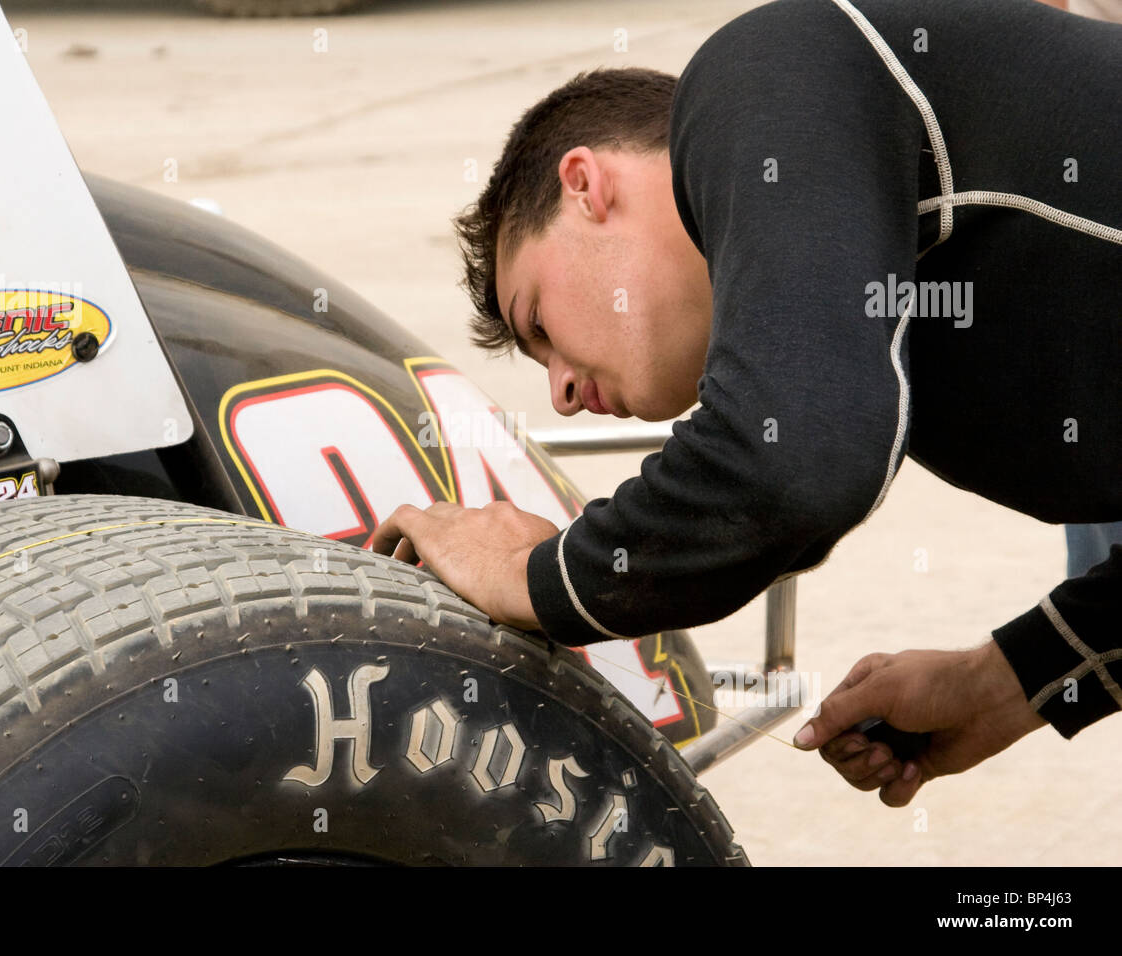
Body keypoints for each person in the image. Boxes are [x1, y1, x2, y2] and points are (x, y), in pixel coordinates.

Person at [370, 0, 1121, 807]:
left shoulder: (762, 68)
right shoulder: (881, 326)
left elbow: (791, 463)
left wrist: (533, 574)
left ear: (586, 186)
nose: (560, 389)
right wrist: (1005, 681)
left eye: (538, 322)